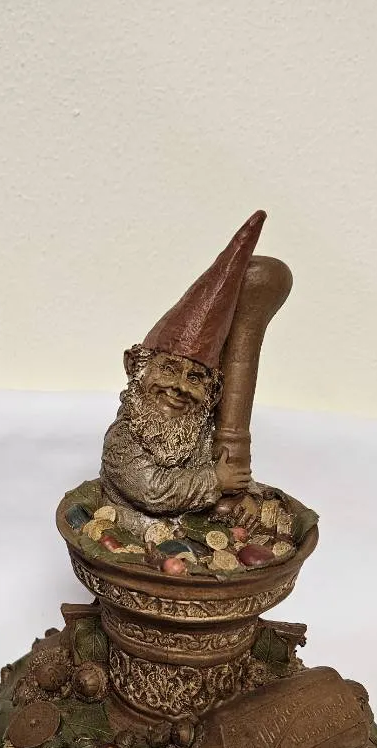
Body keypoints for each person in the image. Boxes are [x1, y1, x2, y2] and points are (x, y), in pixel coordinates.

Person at [100, 211, 266, 530]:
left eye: (194, 378)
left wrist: (246, 492)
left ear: (212, 392)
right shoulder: (124, 436)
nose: (179, 387)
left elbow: (228, 469)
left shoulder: (198, 429)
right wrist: (216, 481)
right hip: (136, 531)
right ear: (135, 367)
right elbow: (151, 490)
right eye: (168, 369)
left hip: (192, 529)